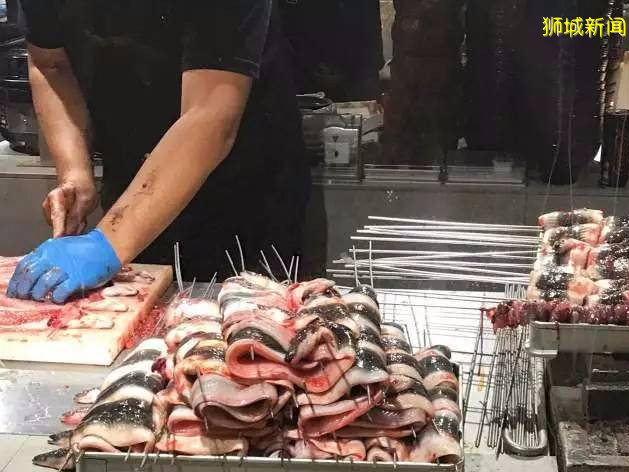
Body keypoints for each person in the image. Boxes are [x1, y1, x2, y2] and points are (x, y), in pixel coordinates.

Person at [8, 0, 313, 303]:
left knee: (259, 319)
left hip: (247, 189)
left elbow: (209, 114)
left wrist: (106, 243)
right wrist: (75, 172)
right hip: (135, 178)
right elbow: (50, 65)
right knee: (134, 313)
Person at [279, 0, 384, 102]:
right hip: (303, 69)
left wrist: (372, 64)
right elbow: (284, 23)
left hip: (357, 69)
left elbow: (371, 22)